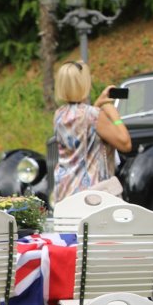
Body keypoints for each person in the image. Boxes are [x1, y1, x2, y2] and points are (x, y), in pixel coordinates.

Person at [50, 60, 133, 204]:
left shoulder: (59, 115)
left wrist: (98, 104)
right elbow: (125, 144)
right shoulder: (92, 115)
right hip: (92, 198)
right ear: (82, 84)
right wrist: (114, 116)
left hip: (66, 194)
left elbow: (86, 131)